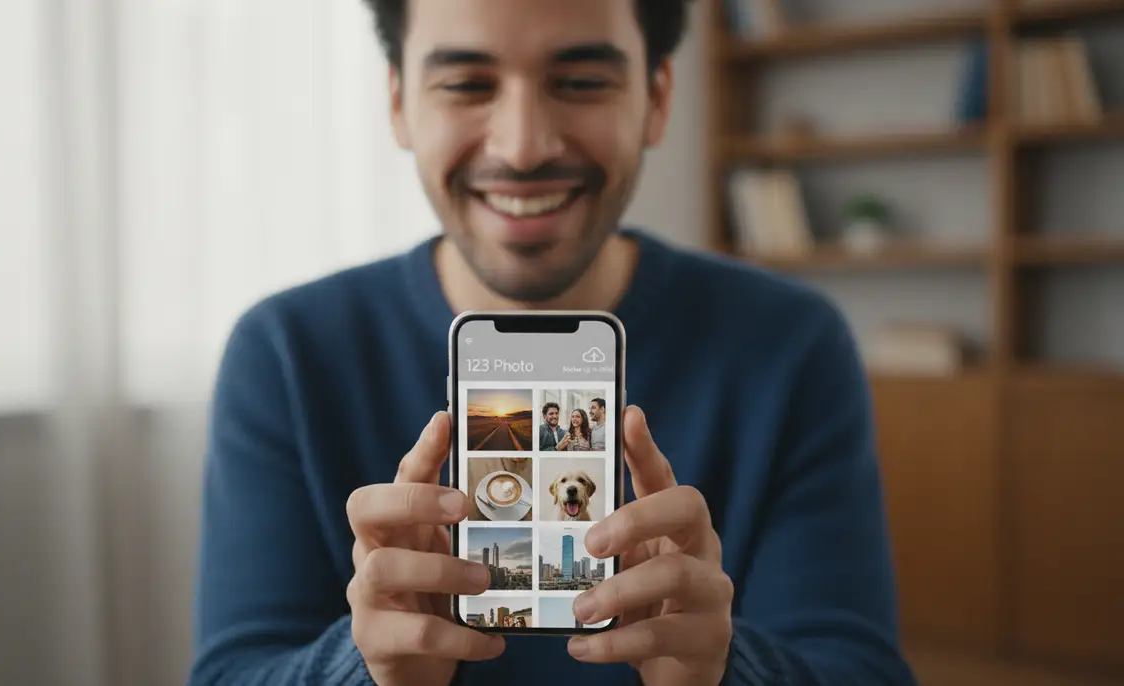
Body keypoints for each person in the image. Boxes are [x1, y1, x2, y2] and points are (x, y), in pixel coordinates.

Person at [187, 0, 919, 685]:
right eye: (468, 84)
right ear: (400, 103)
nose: (524, 146)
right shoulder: (283, 353)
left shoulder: (791, 343)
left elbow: (861, 670)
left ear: (657, 99)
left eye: (580, 80)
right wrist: (365, 664)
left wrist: (723, 666)